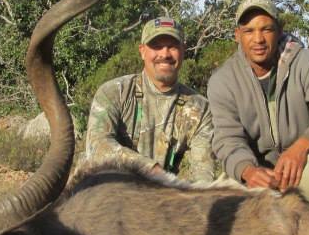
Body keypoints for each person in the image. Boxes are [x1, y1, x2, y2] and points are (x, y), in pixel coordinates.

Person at [208, 0, 309, 224]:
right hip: (259, 182)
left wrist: (301, 146)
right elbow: (227, 140)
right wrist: (248, 171)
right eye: (249, 31)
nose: (258, 39)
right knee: (218, 193)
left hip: (300, 175)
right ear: (237, 35)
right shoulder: (223, 80)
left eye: (266, 29)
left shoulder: (305, 62)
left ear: (279, 30)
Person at [84, 17, 215, 183]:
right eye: (156, 46)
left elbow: (203, 174)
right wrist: (150, 168)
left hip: (160, 196)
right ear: (142, 51)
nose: (165, 54)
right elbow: (98, 146)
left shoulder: (200, 107)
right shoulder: (114, 92)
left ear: (183, 50)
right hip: (107, 190)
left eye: (172, 46)